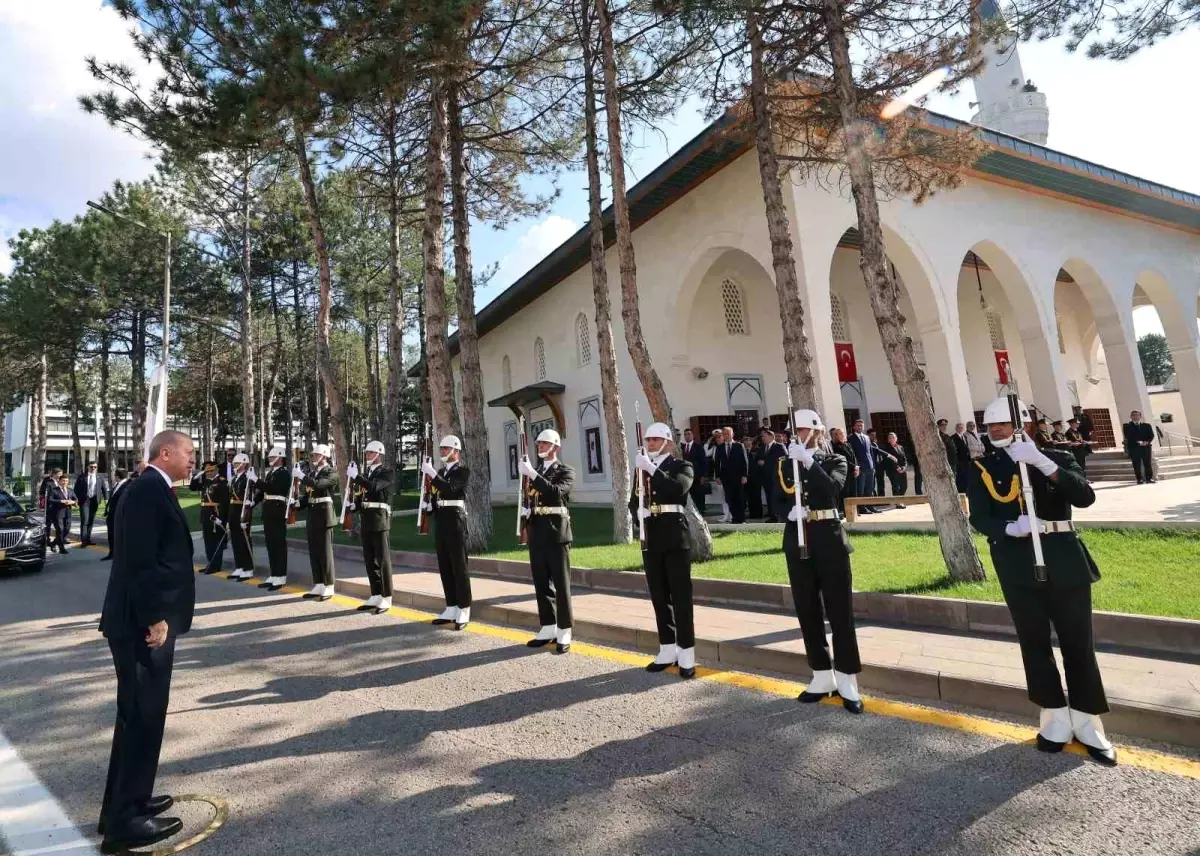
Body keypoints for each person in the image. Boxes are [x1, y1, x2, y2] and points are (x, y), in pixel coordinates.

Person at [969, 397, 1115, 766]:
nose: (997, 431)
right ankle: (1053, 716)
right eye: (992, 426)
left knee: (1077, 641)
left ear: (1025, 426)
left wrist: (1040, 461)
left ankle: (1087, 720)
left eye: (1004, 424)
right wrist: (1008, 527)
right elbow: (979, 517)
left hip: (1063, 556)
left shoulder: (1056, 457)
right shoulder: (982, 466)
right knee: (1033, 640)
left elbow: (1084, 497)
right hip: (1016, 560)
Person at [97, 430, 196, 852]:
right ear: (166, 452)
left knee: (136, 716)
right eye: (190, 453)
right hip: (142, 625)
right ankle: (126, 823)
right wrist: (156, 616)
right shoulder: (146, 491)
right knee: (143, 716)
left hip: (142, 621)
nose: (194, 460)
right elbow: (138, 561)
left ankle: (124, 803)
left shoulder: (153, 488)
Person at [774, 408, 862, 714]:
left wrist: (808, 462)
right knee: (807, 610)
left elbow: (833, 489)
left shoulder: (834, 459)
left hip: (829, 539)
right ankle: (822, 675)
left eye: (799, 431)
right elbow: (776, 497)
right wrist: (786, 511)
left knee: (840, 611)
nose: (793, 437)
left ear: (817, 432)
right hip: (798, 540)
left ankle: (847, 678)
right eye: (790, 432)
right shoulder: (785, 465)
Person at [629, 422, 696, 678]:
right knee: (659, 596)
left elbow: (677, 489)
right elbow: (633, 500)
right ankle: (667, 649)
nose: (652, 444)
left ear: (668, 442)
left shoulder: (682, 466)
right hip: (651, 537)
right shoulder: (641, 469)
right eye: (649, 440)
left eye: (657, 440)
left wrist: (650, 468)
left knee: (680, 597)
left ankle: (687, 653)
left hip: (675, 536)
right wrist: (638, 513)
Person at [517, 429, 575, 653]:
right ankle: (548, 626)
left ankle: (564, 629)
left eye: (544, 444)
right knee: (541, 583)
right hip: (537, 531)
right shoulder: (534, 472)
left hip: (557, 532)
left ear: (555, 447)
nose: (539, 447)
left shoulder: (566, 471)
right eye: (538, 444)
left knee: (561, 583)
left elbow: (555, 493)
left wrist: (532, 474)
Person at [422, 435, 471, 629]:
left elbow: (451, 489)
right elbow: (437, 494)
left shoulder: (463, 472)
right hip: (441, 519)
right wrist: (429, 506)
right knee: (445, 565)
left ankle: (464, 608)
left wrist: (433, 474)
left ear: (456, 452)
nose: (442, 451)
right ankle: (451, 606)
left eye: (446, 448)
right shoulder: (441, 471)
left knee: (459, 566)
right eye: (441, 448)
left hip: (455, 520)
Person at [350, 440, 394, 613]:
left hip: (379, 520)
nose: (367, 455)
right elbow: (364, 495)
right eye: (366, 453)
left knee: (383, 560)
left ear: (379, 454)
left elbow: (374, 488)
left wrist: (357, 477)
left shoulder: (387, 473)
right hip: (367, 520)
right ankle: (376, 594)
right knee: (369, 560)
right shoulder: (367, 474)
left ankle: (387, 596)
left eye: (370, 453)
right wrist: (356, 505)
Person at [300, 444, 338, 602]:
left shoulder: (331, 472)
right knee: (314, 550)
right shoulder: (312, 473)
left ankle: (329, 585)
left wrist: (302, 477)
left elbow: (320, 485)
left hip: (324, 514)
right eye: (312, 455)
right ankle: (319, 583)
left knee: (325, 552)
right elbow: (308, 494)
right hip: (313, 513)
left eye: (316, 455)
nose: (313, 457)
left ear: (324, 456)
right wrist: (297, 504)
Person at [254, 447, 292, 591]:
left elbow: (273, 488)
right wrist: (254, 501)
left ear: (280, 458)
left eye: (272, 457)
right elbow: (264, 491)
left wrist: (256, 480)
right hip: (269, 510)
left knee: (278, 544)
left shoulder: (283, 474)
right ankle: (274, 574)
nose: (270, 459)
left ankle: (281, 576)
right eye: (269, 457)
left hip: (277, 509)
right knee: (270, 544)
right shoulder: (271, 473)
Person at [188, 461, 226, 572]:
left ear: (216, 470)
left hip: (215, 515)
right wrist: (198, 475)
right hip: (205, 515)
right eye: (206, 471)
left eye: (210, 470)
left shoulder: (221, 482)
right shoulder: (206, 482)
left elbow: (224, 502)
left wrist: (222, 518)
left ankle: (215, 565)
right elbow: (192, 487)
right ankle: (211, 563)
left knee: (215, 541)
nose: (208, 473)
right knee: (208, 541)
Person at [226, 454, 257, 579]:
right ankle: (239, 566)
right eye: (234, 463)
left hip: (243, 510)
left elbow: (253, 493)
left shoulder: (248, 478)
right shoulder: (234, 479)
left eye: (237, 463)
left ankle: (248, 568)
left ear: (244, 464)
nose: (235, 466)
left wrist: (252, 503)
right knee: (235, 540)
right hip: (234, 510)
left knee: (244, 540)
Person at [714, 426, 748, 524]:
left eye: (728, 434)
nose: (726, 436)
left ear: (732, 434)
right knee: (729, 498)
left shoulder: (739, 446)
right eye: (724, 434)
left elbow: (744, 461)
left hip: (738, 477)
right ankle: (734, 518)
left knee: (740, 498)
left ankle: (741, 518)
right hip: (726, 478)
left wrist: (744, 475)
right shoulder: (719, 447)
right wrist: (718, 476)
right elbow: (717, 463)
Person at [74, 461, 109, 546]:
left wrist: (106, 500)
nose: (93, 468)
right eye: (91, 467)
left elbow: (104, 489)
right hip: (84, 501)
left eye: (95, 467)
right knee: (85, 520)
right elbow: (76, 489)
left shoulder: (100, 477)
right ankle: (83, 540)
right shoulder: (82, 477)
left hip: (95, 501)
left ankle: (88, 539)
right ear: (88, 467)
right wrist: (75, 499)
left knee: (91, 520)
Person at [848, 419, 878, 513]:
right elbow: (852, 455)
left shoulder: (866, 437)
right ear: (854, 427)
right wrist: (857, 466)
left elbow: (870, 452)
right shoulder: (850, 438)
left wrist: (873, 466)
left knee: (870, 488)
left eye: (861, 425)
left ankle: (870, 506)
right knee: (861, 489)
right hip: (860, 468)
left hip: (870, 467)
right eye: (858, 425)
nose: (860, 427)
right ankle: (862, 508)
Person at [102, 469, 130, 561]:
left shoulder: (128, 485)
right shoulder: (117, 484)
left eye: (115, 475)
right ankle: (112, 553)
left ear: (117, 476)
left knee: (120, 536)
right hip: (112, 515)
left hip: (120, 515)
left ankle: (121, 556)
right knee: (111, 534)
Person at [46, 474, 78, 553]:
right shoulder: (54, 490)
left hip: (68, 513)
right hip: (58, 513)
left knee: (66, 529)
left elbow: (76, 498)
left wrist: (73, 502)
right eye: (63, 481)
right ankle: (61, 548)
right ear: (59, 481)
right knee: (60, 530)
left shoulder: (70, 490)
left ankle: (53, 543)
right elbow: (50, 500)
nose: (65, 482)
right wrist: (61, 501)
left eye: (66, 481)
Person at [1122, 410, 1155, 484]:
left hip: (1146, 447)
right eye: (1133, 415)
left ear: (1140, 416)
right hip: (1134, 448)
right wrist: (1139, 442)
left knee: (1147, 463)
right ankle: (1139, 479)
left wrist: (1147, 442)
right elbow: (1128, 436)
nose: (1135, 417)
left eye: (1137, 415)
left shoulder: (1147, 425)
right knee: (1136, 464)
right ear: (1131, 417)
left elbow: (1151, 435)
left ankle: (1149, 479)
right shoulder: (1127, 426)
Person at [829, 427, 857, 513]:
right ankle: (846, 512)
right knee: (846, 492)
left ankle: (855, 511)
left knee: (854, 491)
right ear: (836, 436)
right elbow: (844, 459)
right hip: (845, 472)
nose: (842, 435)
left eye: (842, 433)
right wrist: (854, 467)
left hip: (853, 471)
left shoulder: (848, 444)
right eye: (839, 434)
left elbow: (853, 457)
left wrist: (856, 467)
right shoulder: (836, 446)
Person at [680, 428, 708, 514]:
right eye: (685, 434)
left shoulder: (698, 447)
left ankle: (701, 511)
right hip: (686, 477)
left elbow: (703, 462)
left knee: (698, 495)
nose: (687, 436)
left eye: (689, 434)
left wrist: (703, 475)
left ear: (693, 435)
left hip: (697, 476)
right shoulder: (682, 447)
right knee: (689, 495)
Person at [881, 432, 908, 497]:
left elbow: (904, 458)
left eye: (893, 437)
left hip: (902, 470)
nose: (892, 439)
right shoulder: (886, 448)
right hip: (892, 471)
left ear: (896, 439)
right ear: (888, 440)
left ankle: (900, 499)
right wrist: (897, 467)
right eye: (890, 438)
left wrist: (904, 466)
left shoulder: (900, 447)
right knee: (895, 487)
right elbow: (888, 460)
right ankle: (898, 502)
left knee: (904, 486)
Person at [866, 428, 887, 499]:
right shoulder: (867, 444)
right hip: (872, 466)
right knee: (872, 484)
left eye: (874, 435)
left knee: (881, 483)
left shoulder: (877, 444)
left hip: (880, 466)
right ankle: (875, 499)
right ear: (868, 435)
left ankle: (882, 498)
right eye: (871, 435)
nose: (873, 437)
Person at [951, 422, 971, 492]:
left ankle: (966, 490)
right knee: (960, 477)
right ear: (956, 428)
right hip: (959, 461)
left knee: (966, 476)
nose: (961, 429)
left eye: (962, 428)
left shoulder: (964, 436)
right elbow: (954, 450)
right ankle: (961, 491)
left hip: (966, 460)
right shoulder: (953, 438)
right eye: (959, 427)